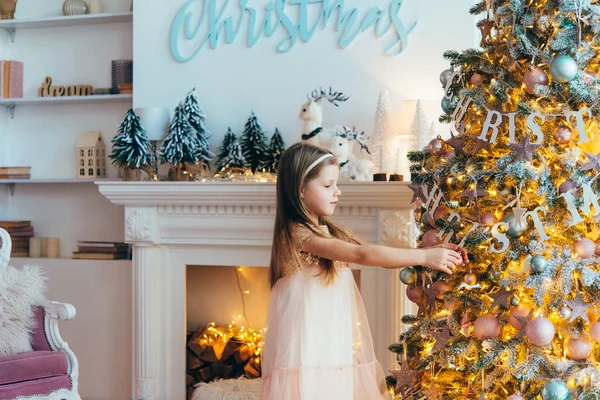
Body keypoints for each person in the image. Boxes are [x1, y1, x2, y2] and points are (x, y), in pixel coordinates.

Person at [259, 142, 468, 400]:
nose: (337, 192)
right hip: (309, 343)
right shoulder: (296, 234)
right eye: (328, 185)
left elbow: (376, 251)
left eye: (336, 184)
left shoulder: (332, 231)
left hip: (333, 338)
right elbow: (363, 255)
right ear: (301, 188)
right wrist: (425, 256)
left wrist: (432, 250)